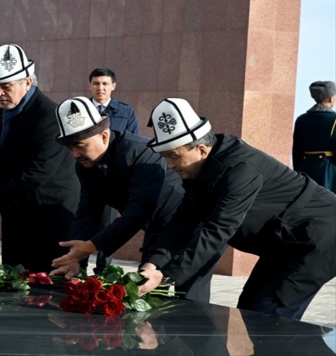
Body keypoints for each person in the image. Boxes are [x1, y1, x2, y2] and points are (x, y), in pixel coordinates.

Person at [137, 98, 336, 320]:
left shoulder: (238, 166)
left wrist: (166, 276)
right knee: (249, 311)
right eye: (164, 157)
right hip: (284, 244)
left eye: (174, 156)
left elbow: (219, 228)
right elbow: (182, 221)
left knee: (269, 318)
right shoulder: (199, 170)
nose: (170, 165)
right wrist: (152, 264)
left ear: (201, 149)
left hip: (318, 239)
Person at [50, 97, 220, 302]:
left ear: (104, 136)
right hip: (156, 232)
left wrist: (93, 246)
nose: (75, 154)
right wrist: (74, 258)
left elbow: (140, 210)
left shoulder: (140, 152)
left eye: (80, 146)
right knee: (146, 295)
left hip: (191, 231)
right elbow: (88, 210)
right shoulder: (85, 166)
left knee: (190, 300)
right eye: (69, 148)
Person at [0, 44, 80, 273]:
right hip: (16, 211)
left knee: (44, 285)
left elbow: (38, 171)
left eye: (6, 86)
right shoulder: (2, 114)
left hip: (47, 215)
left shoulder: (50, 116)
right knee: (15, 280)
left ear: (28, 82)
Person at [88, 67, 139, 274]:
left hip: (112, 178)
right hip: (86, 175)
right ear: (89, 85)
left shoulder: (125, 112)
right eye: (96, 83)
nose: (100, 88)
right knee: (84, 220)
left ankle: (102, 269)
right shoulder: (79, 110)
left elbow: (133, 144)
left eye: (105, 84)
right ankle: (77, 264)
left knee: (109, 225)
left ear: (113, 86)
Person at [292, 80, 336, 192]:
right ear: (331, 98)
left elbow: (297, 151)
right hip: (328, 171)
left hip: (306, 169)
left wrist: (298, 172)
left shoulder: (301, 119)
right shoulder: (334, 120)